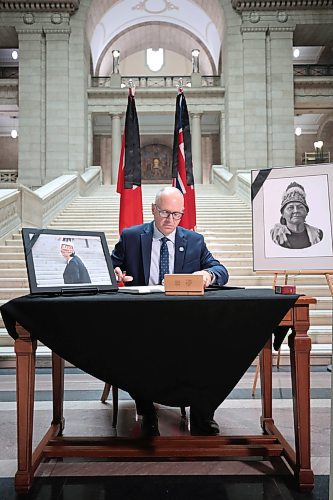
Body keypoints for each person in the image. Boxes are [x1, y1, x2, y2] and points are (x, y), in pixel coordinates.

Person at [111, 186, 229, 437]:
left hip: (183, 320)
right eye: (165, 213)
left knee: (210, 349)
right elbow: (109, 265)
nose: (170, 221)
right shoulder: (132, 237)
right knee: (136, 350)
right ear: (153, 209)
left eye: (177, 215)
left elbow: (220, 270)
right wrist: (115, 273)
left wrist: (207, 274)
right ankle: (147, 411)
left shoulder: (194, 241)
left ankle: (202, 414)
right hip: (142, 320)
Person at [270, 181, 323, 249]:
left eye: (300, 207)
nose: (296, 211)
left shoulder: (318, 235)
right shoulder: (275, 236)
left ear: (306, 212)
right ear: (282, 214)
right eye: (290, 207)